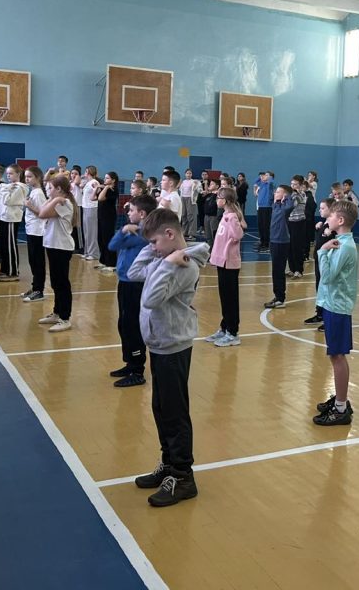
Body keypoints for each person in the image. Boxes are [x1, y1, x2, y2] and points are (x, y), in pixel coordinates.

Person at [128, 209, 210, 507]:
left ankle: (183, 476)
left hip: (174, 346)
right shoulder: (165, 259)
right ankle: (169, 463)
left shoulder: (183, 266)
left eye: (154, 242)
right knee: (161, 408)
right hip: (160, 344)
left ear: (170, 234)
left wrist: (166, 263)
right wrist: (156, 254)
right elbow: (134, 273)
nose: (152, 247)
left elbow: (150, 299)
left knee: (175, 413)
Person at [313, 199, 359, 426]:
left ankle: (341, 408)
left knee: (338, 356)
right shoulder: (339, 241)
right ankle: (340, 400)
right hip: (331, 303)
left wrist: (322, 252)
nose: (327, 219)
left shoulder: (345, 247)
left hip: (338, 307)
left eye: (330, 216)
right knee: (335, 355)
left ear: (340, 220)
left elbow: (328, 277)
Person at [107, 194, 158, 387]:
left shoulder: (141, 234)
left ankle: (137, 369)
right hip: (125, 282)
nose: (128, 213)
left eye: (132, 210)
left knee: (132, 326)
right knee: (124, 324)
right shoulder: (136, 230)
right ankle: (130, 363)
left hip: (134, 284)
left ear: (142, 213)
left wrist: (123, 230)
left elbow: (112, 245)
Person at [205, 187, 246, 347]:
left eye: (219, 197)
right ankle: (224, 327)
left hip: (230, 263)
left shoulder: (232, 217)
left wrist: (231, 221)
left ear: (226, 200)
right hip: (221, 261)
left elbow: (238, 235)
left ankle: (233, 333)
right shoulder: (225, 215)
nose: (217, 200)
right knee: (224, 297)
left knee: (230, 299)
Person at [37, 175, 78, 332]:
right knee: (55, 282)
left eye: (50, 188)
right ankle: (57, 312)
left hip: (61, 247)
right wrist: (52, 198)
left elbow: (42, 214)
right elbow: (42, 209)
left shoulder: (64, 203)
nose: (48, 191)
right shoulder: (59, 200)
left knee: (62, 283)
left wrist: (54, 200)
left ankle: (65, 318)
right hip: (53, 245)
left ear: (59, 189)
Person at [0, 164, 28, 283]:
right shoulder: (9, 186)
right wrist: (5, 189)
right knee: (3, 245)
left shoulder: (20, 187)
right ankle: (5, 270)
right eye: (7, 174)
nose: (8, 176)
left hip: (11, 219)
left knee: (10, 246)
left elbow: (8, 201)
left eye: (11, 173)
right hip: (3, 218)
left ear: (18, 174)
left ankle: (13, 272)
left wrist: (4, 189)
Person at [304, 198, 335, 329]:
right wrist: (319, 228)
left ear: (331, 210)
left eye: (323, 208)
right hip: (319, 260)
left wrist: (330, 232)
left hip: (327, 261)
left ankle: (328, 318)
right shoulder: (324, 224)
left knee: (327, 288)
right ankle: (320, 313)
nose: (320, 210)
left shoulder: (333, 227)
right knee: (320, 287)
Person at [20, 166, 48, 303]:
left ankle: (39, 290)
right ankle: (35, 286)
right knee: (32, 260)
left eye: (30, 176)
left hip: (38, 231)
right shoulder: (33, 191)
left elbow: (42, 213)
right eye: (26, 176)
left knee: (38, 261)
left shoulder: (38, 193)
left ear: (38, 178)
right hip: (31, 230)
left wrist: (29, 206)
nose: (27, 179)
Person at [264, 185, 294, 309]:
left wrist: (287, 197)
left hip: (281, 242)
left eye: (278, 192)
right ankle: (277, 296)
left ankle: (280, 298)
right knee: (275, 271)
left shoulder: (286, 207)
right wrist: (279, 199)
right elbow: (273, 201)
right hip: (273, 241)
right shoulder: (276, 205)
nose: (275, 193)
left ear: (285, 195)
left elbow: (290, 206)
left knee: (279, 271)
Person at [96, 171, 120, 273]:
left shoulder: (114, 190)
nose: (105, 180)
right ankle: (104, 261)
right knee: (100, 239)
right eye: (105, 178)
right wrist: (98, 187)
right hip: (101, 216)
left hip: (109, 217)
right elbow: (94, 197)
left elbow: (101, 198)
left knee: (108, 239)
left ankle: (111, 263)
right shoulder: (105, 188)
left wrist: (105, 187)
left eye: (107, 178)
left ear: (113, 180)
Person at [287, 175, 309, 277]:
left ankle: (299, 270)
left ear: (300, 186)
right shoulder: (291, 194)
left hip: (299, 222)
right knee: (289, 246)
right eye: (291, 184)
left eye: (295, 184)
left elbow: (294, 204)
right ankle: (292, 268)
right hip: (290, 222)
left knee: (297, 247)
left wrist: (293, 194)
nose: (292, 186)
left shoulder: (302, 195)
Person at [80, 166, 100, 261]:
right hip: (86, 208)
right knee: (87, 231)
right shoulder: (88, 182)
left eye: (85, 171)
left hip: (92, 208)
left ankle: (94, 254)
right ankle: (87, 252)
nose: (84, 173)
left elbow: (98, 193)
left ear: (88, 172)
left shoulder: (94, 182)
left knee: (92, 231)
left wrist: (96, 188)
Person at [254, 171, 274, 252]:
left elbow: (271, 181)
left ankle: (267, 244)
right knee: (261, 226)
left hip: (267, 207)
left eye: (266, 175)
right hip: (260, 207)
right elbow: (256, 181)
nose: (264, 176)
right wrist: (261, 177)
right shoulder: (262, 184)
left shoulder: (270, 184)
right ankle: (262, 242)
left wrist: (269, 177)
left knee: (266, 226)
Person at [178, 168, 199, 239]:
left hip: (191, 199)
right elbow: (179, 190)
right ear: (185, 174)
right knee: (184, 215)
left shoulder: (194, 181)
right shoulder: (183, 182)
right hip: (183, 198)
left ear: (192, 174)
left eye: (190, 173)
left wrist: (195, 186)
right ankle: (184, 231)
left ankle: (192, 233)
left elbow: (198, 190)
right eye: (187, 173)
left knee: (191, 215)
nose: (188, 175)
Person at [202, 179, 221, 247]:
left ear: (217, 186)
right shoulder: (208, 195)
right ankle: (210, 247)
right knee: (208, 234)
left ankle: (216, 248)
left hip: (214, 216)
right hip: (206, 216)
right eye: (210, 184)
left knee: (214, 233)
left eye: (212, 184)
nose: (210, 185)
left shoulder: (218, 195)